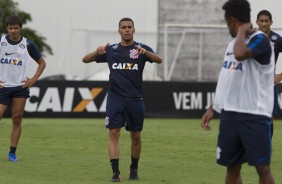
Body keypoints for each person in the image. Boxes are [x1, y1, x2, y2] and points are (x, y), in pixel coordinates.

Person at [201, 0, 275, 183]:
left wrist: (242, 31)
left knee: (262, 168)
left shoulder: (261, 40)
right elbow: (227, 77)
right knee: (232, 168)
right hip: (230, 115)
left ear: (232, 20)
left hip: (254, 115)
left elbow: (241, 54)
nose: (228, 27)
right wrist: (214, 108)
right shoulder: (234, 43)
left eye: (227, 22)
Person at [82, 17, 162, 182]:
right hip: (115, 98)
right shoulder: (111, 49)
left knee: (136, 136)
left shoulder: (140, 49)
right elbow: (85, 59)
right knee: (113, 132)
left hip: (135, 99)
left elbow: (159, 60)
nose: (126, 30)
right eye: (123, 27)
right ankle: (115, 173)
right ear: (119, 30)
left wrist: (145, 53)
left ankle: (134, 168)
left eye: (129, 27)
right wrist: (97, 52)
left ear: (134, 30)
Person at [0, 15, 46, 162]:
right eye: (10, 28)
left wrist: (33, 80)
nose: (13, 31)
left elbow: (42, 63)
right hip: (3, 87)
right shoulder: (1, 42)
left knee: (17, 119)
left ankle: (12, 153)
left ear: (20, 28)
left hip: (20, 88)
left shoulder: (28, 45)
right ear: (7, 28)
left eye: (16, 28)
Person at [256, 10, 282, 137]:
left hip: (268, 84)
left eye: (266, 21)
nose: (264, 23)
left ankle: (266, 148)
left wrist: (280, 76)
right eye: (261, 21)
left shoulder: (277, 39)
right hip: (251, 82)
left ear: (271, 22)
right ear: (257, 22)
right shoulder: (250, 38)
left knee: (269, 116)